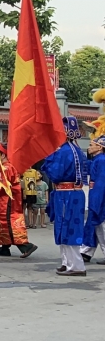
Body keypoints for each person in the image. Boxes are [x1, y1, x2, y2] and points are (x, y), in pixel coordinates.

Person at [44, 117, 89, 276]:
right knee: (64, 228)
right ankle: (66, 262)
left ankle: (76, 266)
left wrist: (48, 158)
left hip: (67, 194)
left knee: (68, 229)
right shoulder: (75, 150)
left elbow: (55, 174)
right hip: (69, 193)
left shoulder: (64, 151)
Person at [0, 145, 37, 259]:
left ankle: (25, 246)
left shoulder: (6, 168)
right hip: (3, 200)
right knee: (3, 223)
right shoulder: (4, 167)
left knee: (9, 222)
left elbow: (2, 187)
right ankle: (4, 248)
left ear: (3, 155)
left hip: (7, 200)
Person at [82, 136, 105, 264]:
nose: (89, 147)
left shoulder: (101, 160)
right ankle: (86, 252)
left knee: (101, 228)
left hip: (99, 199)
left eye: (91, 144)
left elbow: (101, 183)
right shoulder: (97, 160)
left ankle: (86, 251)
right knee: (94, 227)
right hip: (96, 197)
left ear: (100, 147)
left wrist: (96, 202)